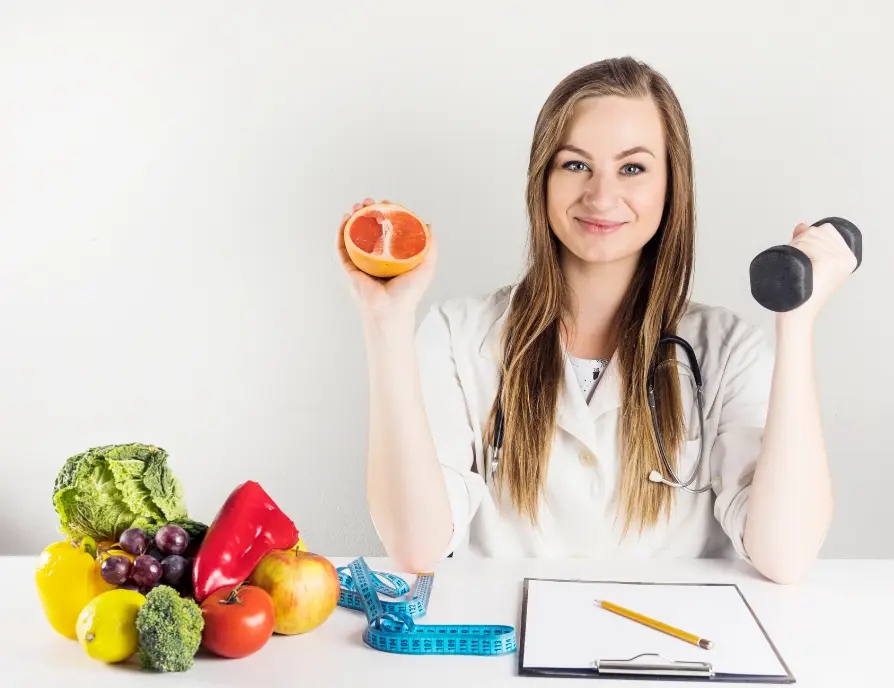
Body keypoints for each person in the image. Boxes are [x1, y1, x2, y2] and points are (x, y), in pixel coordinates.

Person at [335, 56, 857, 584]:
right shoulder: (456, 335)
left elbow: (784, 555)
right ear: (542, 179)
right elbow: (416, 547)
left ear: (671, 185)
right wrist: (387, 322)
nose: (601, 196)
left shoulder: (728, 350)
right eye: (575, 165)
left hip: (671, 636)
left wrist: (797, 323)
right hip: (504, 637)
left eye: (632, 168)